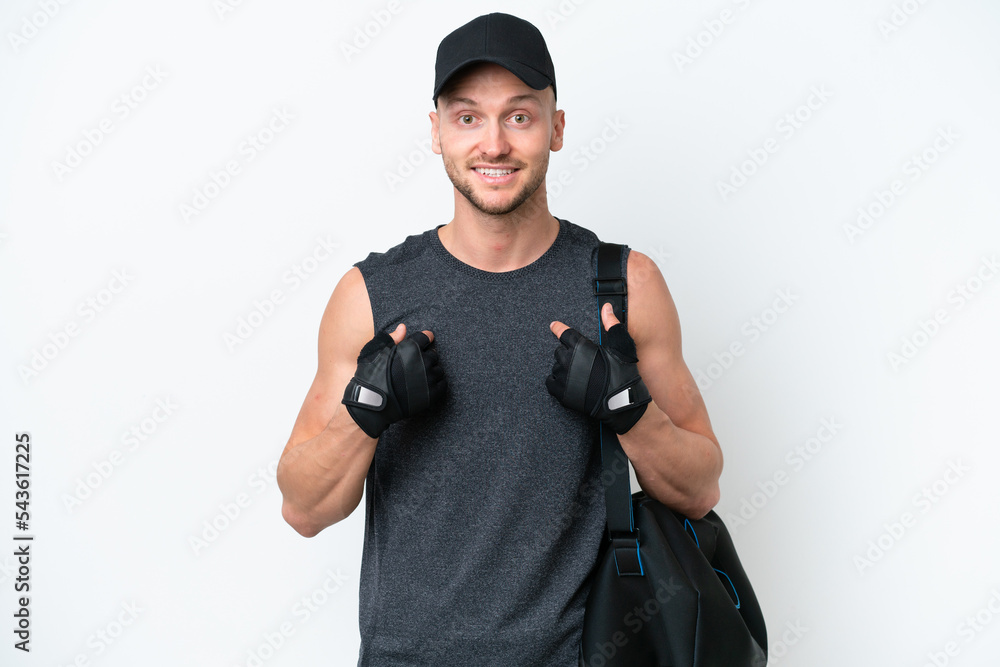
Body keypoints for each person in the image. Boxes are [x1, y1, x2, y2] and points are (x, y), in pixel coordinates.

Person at [276, 12, 723, 667]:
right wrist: (365, 412)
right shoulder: (371, 295)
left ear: (556, 128)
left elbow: (700, 488)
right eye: (468, 117)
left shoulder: (624, 287)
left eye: (518, 116)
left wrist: (629, 409)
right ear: (436, 132)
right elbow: (302, 508)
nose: (494, 144)